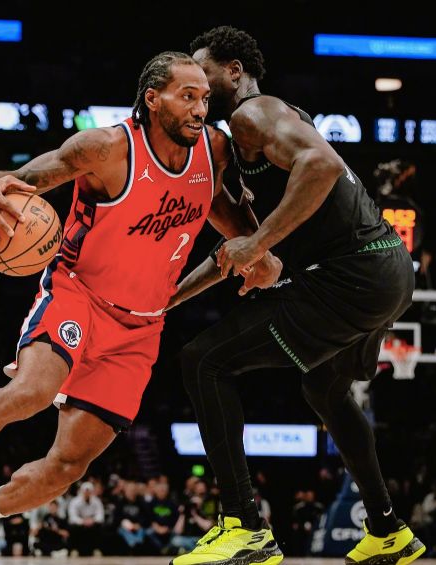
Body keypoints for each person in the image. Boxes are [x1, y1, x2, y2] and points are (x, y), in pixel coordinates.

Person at [0, 50, 281, 564]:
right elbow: (15, 181)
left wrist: (258, 249)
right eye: (187, 96)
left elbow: (217, 205)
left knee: (68, 466)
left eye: (204, 98)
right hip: (78, 294)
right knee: (30, 393)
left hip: (142, 326)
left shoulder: (214, 150)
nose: (200, 109)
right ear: (152, 99)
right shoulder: (105, 148)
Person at [169, 26, 425, 565]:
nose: (199, 85)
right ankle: (387, 530)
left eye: (204, 72)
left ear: (234, 71)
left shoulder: (254, 113)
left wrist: (259, 242)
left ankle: (244, 526)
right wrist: (165, 301)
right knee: (324, 388)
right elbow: (236, 252)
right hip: (388, 270)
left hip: (352, 276)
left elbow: (323, 165)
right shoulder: (248, 144)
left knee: (203, 360)